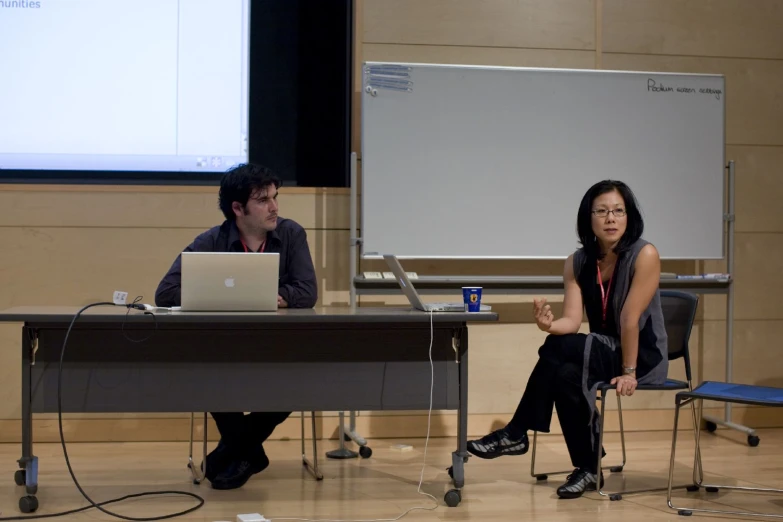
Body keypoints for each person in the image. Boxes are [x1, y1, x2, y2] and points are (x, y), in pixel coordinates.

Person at [466, 180, 668, 499]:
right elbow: (572, 321)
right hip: (601, 350)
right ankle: (588, 468)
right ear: (589, 218)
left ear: (629, 217)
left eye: (618, 211)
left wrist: (629, 373)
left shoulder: (645, 254)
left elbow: (630, 320)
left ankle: (516, 432)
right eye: (601, 211)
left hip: (639, 356)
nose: (611, 218)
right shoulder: (577, 262)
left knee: (558, 349)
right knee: (564, 375)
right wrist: (550, 325)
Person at [155, 163, 318, 490]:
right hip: (225, 348)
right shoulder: (211, 240)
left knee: (300, 377)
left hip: (278, 347)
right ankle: (248, 452)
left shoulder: (290, 234)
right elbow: (165, 293)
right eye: (263, 200)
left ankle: (236, 448)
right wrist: (223, 294)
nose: (274, 207)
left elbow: (307, 292)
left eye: (275, 197)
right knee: (205, 371)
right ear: (238, 208)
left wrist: (273, 296)